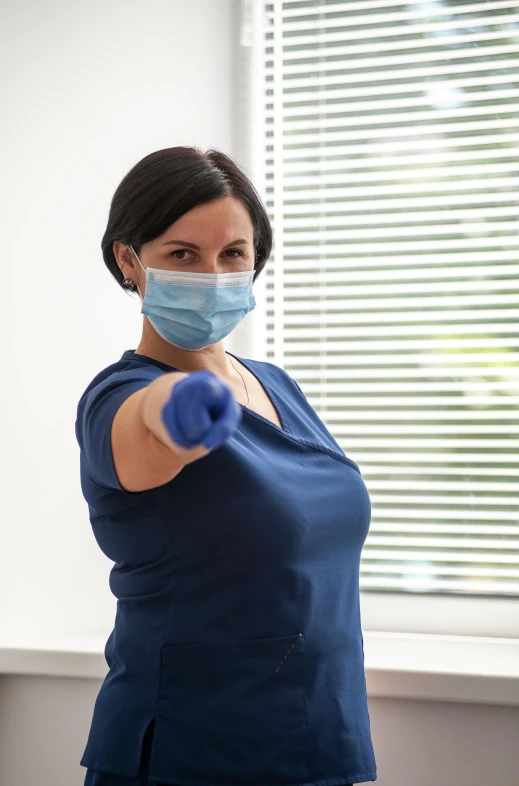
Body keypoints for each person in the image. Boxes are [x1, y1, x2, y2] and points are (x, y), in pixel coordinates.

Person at [76, 146, 377, 786]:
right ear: (130, 260)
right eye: (183, 254)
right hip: (192, 751)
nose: (212, 274)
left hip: (320, 738)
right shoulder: (119, 395)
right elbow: (146, 430)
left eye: (232, 254)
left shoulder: (276, 386)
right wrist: (182, 404)